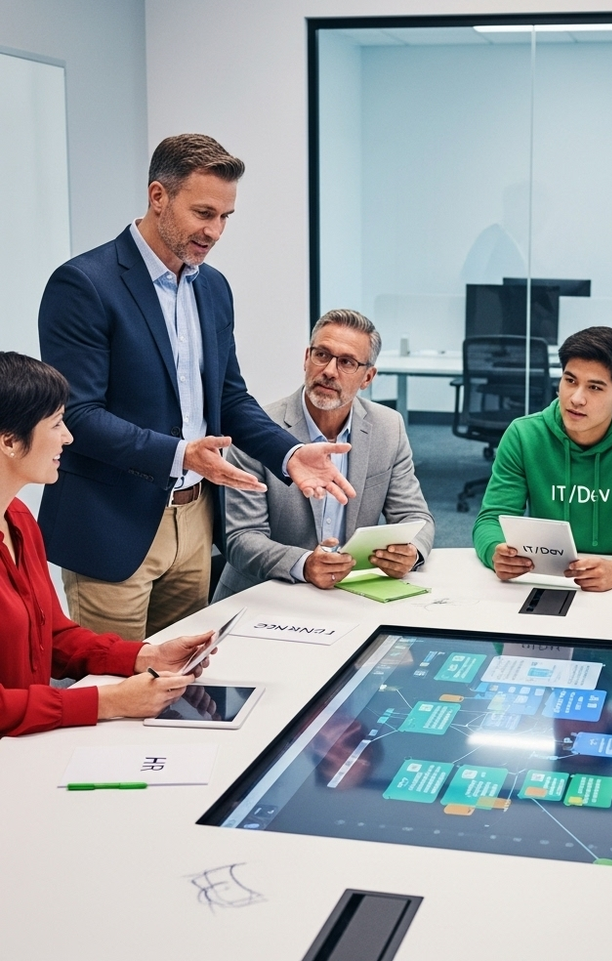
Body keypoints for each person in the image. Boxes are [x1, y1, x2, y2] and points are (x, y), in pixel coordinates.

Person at [37, 134, 355, 641]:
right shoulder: (85, 284)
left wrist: (291, 453)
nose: (215, 231)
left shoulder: (213, 287)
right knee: (117, 691)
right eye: (204, 212)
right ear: (158, 197)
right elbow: (78, 415)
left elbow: (228, 398)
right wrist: (182, 453)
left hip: (195, 523)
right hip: (112, 526)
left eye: (226, 216)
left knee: (182, 682)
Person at [0, 352, 215, 737]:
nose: (68, 436)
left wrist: (145, 655)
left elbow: (55, 638)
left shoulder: (19, 520)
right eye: (56, 424)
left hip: (30, 745)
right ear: (11, 442)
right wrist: (109, 701)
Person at [214, 309, 435, 598]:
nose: (329, 370)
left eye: (346, 362)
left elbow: (415, 516)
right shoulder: (259, 430)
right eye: (322, 355)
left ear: (368, 377)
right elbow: (241, 538)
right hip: (263, 596)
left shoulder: (387, 427)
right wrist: (304, 564)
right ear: (307, 358)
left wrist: (411, 552)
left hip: (349, 596)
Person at [473, 326, 612, 591]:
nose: (576, 398)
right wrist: (495, 552)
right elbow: (490, 520)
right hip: (543, 581)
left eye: (595, 387)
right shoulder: (524, 435)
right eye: (570, 381)